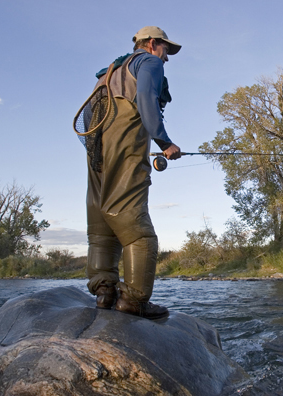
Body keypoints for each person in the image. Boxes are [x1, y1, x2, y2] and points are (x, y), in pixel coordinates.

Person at [84, 26, 182, 319]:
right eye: (166, 50)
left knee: (103, 218)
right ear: (152, 44)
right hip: (124, 141)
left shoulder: (110, 71)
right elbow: (146, 99)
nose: (166, 58)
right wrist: (164, 142)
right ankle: (134, 300)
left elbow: (89, 115)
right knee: (137, 231)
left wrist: (98, 150)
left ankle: (104, 293)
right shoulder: (148, 62)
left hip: (95, 147)